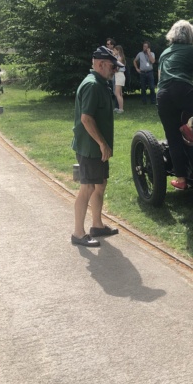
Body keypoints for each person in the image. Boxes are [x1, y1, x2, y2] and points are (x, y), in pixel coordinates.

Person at [71, 46, 123, 247]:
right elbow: (86, 119)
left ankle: (97, 225)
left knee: (100, 184)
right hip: (90, 148)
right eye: (113, 66)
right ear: (101, 64)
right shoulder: (92, 85)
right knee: (88, 187)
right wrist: (102, 143)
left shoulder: (101, 83)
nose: (115, 70)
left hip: (99, 148)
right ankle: (77, 233)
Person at [157, 20, 193, 190]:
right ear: (191, 35)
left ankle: (181, 179)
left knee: (173, 138)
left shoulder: (164, 53)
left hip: (163, 94)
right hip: (183, 88)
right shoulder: (192, 49)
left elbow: (161, 78)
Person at [113, 45, 126, 113]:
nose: (114, 51)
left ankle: (121, 109)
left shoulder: (119, 58)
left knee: (117, 93)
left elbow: (117, 68)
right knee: (119, 93)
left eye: (115, 50)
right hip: (118, 75)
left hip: (119, 75)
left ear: (118, 51)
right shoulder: (118, 57)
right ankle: (120, 108)